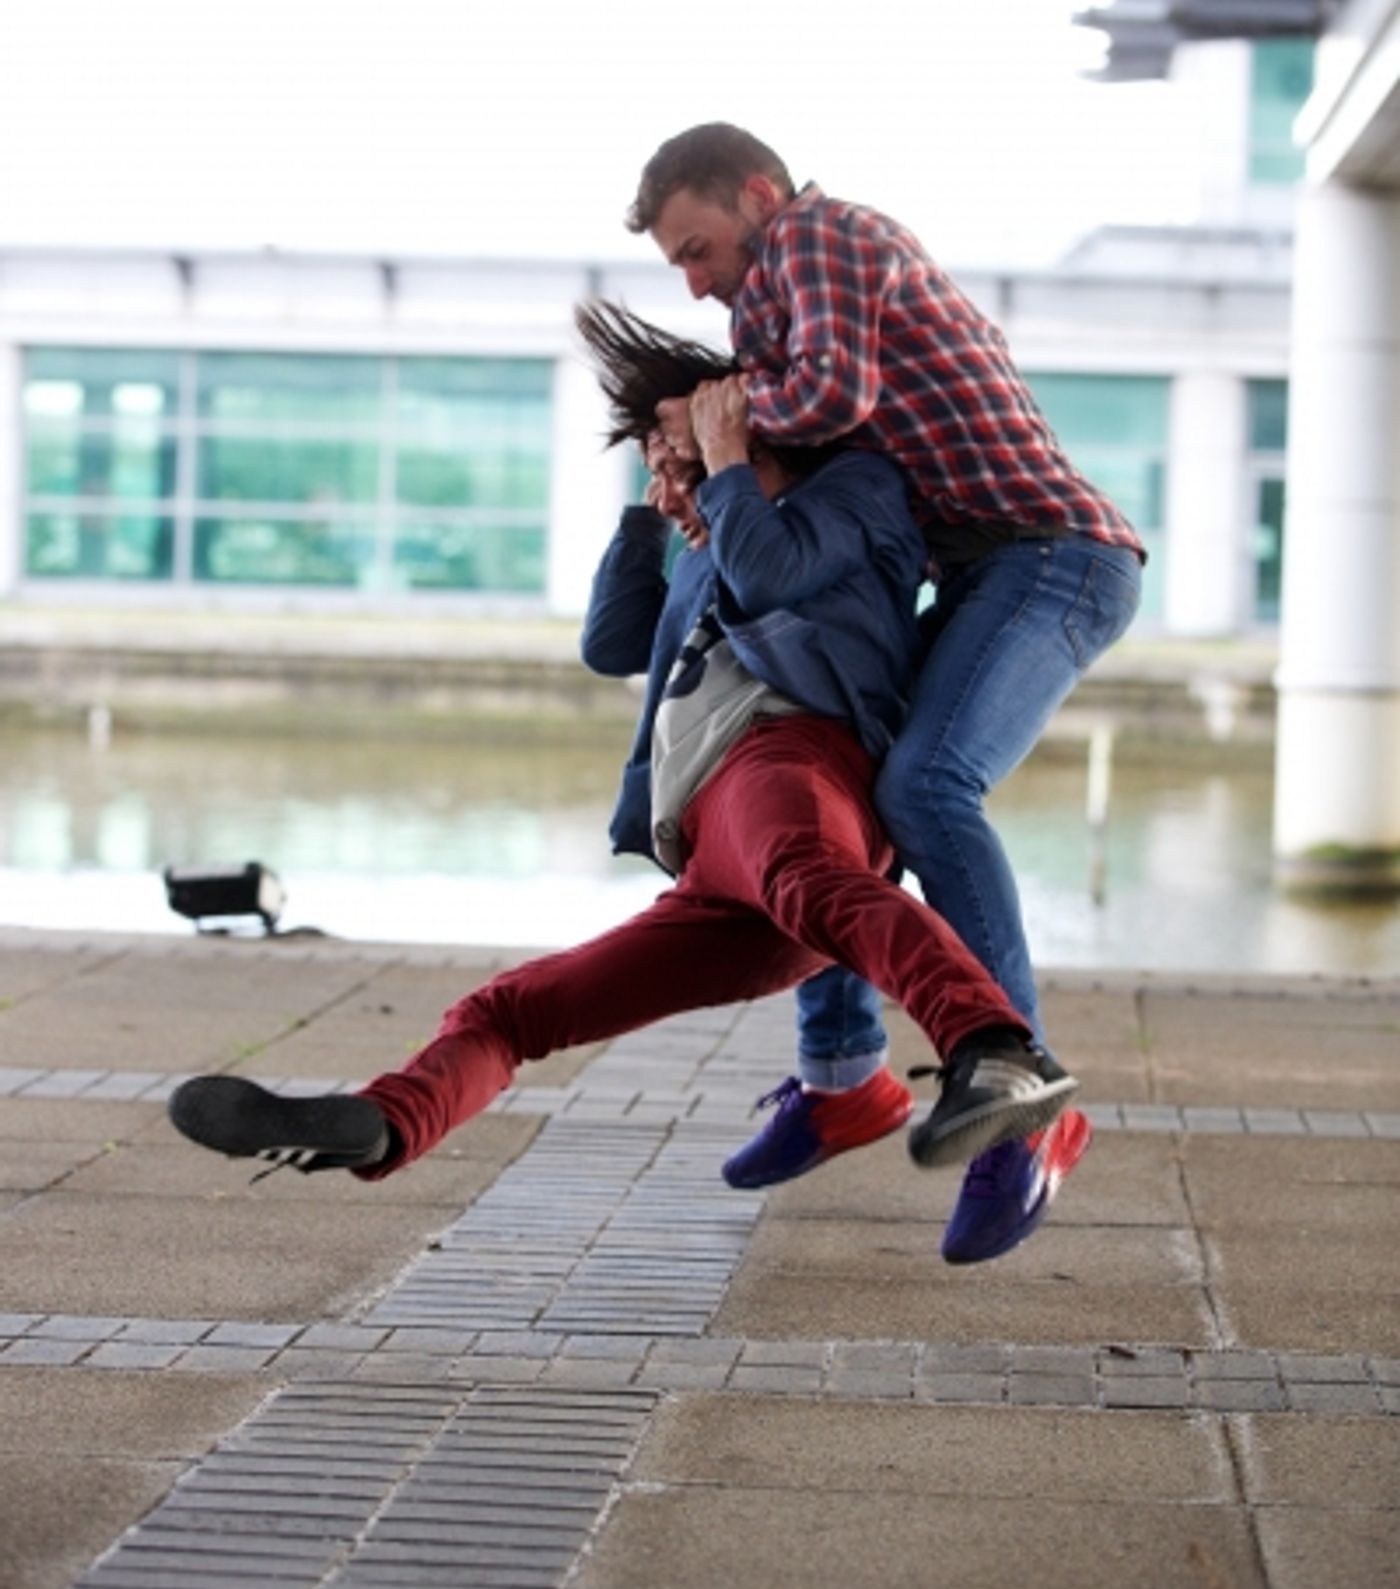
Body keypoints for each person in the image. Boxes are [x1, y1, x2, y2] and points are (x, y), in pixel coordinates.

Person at [167, 305, 1076, 1192]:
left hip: (790, 762)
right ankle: (388, 1118)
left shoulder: (849, 496)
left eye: (680, 467)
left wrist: (722, 461)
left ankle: (996, 1050)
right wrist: (648, 520)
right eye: (658, 474)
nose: (675, 492)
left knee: (812, 877)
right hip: (717, 866)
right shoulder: (710, 545)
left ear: (749, 444)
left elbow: (771, 574)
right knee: (514, 1007)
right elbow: (610, 645)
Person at [628, 122, 1143, 1258]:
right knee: (846, 802)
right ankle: (842, 1077)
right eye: (678, 266)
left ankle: (1022, 1099)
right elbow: (795, 463)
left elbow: (825, 399)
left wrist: (718, 428)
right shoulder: (762, 312)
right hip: (977, 568)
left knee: (926, 789)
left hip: (1054, 556)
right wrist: (689, 462)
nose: (695, 283)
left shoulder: (821, 236)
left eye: (698, 249)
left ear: (758, 195)